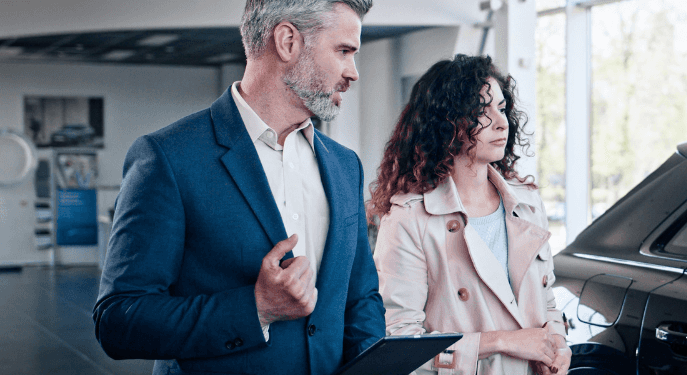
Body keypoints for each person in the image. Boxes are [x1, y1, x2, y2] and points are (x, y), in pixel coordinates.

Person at [92, 1, 384, 374]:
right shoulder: (169, 157)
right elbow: (118, 320)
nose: (353, 73)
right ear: (288, 42)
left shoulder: (345, 165)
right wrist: (256, 308)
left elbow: (361, 297)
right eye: (343, 51)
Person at [369, 54, 571, 375]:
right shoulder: (410, 220)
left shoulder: (528, 204)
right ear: (447, 122)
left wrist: (557, 347)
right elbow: (402, 346)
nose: (501, 122)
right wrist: (504, 341)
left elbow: (546, 302)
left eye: (502, 109)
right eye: (481, 111)